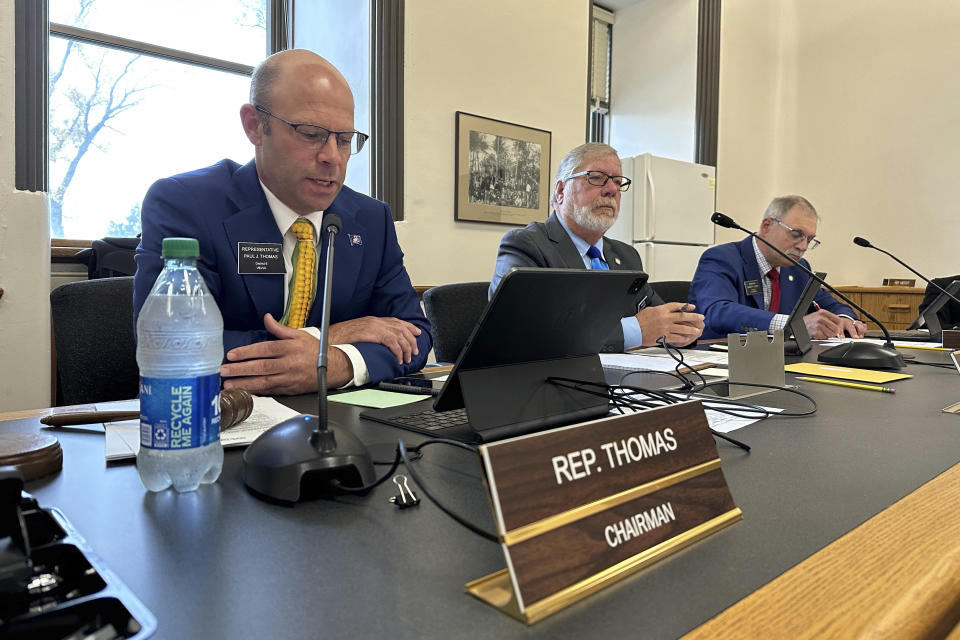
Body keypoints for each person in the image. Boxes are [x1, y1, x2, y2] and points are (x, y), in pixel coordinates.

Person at [133, 50, 431, 394]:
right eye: (311, 133)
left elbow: (413, 335)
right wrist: (329, 338)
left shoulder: (370, 219)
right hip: (219, 421)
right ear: (255, 126)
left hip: (340, 425)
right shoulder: (186, 204)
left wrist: (339, 363)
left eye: (345, 140)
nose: (332, 157)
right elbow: (172, 342)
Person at [489, 142, 704, 351]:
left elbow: (660, 320)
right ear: (561, 191)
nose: (611, 190)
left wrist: (684, 329)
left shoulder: (626, 255)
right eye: (597, 178)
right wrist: (636, 331)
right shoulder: (527, 245)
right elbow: (525, 334)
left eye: (618, 182)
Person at [689, 195, 866, 340]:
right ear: (767, 226)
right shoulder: (722, 258)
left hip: (778, 362)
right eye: (796, 235)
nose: (803, 247)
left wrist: (843, 320)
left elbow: (832, 305)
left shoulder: (799, 268)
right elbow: (718, 312)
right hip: (721, 362)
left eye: (810, 240)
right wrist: (792, 325)